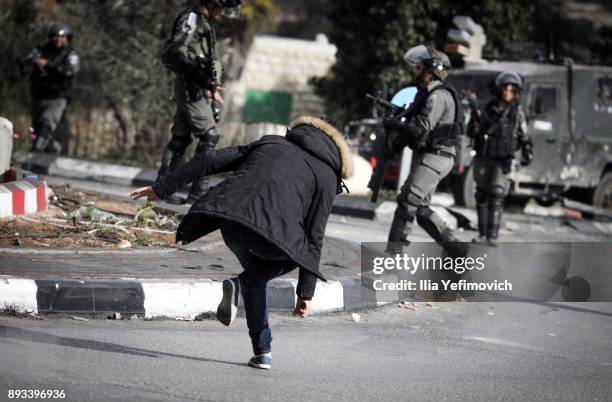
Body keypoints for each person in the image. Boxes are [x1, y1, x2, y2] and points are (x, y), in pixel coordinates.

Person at [130, 116, 353, 370]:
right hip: (270, 239)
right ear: (338, 156)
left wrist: (163, 188)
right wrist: (305, 293)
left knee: (257, 276)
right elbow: (315, 236)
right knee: (294, 254)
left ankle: (262, 351)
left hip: (231, 224)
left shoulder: (269, 143)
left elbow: (210, 159)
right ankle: (240, 285)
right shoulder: (326, 176)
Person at [382, 45, 466, 256]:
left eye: (419, 67)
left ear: (431, 71)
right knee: (419, 208)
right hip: (436, 156)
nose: (414, 71)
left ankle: (393, 254)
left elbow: (420, 130)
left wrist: (397, 124)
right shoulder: (428, 94)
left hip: (436, 156)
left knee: (407, 200)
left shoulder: (437, 96)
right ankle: (455, 248)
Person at [156, 0, 241, 204]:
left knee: (180, 138)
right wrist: (200, 77)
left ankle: (163, 188)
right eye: (222, 8)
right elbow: (177, 50)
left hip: (197, 86)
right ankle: (198, 194)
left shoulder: (204, 21)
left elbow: (210, 59)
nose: (222, 14)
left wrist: (213, 84)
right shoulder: (192, 18)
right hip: (191, 86)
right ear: (213, 3)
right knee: (209, 137)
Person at [467, 71, 533, 245]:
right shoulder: (487, 109)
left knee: (497, 194)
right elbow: (472, 131)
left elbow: (524, 135)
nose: (507, 92)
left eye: (512, 90)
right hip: (484, 156)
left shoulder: (517, 113)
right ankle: (482, 234)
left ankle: (492, 235)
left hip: (503, 160)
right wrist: (474, 114)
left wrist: (527, 153)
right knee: (481, 195)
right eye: (505, 88)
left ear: (516, 92)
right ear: (499, 89)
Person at [20, 22, 79, 154]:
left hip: (57, 97)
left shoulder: (70, 55)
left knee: (45, 125)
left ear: (67, 39)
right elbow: (26, 64)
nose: (58, 40)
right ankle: (51, 149)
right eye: (55, 36)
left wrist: (47, 65)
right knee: (37, 130)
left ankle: (35, 155)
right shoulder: (40, 51)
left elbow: (69, 72)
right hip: (38, 95)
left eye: (62, 37)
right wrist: (28, 66)